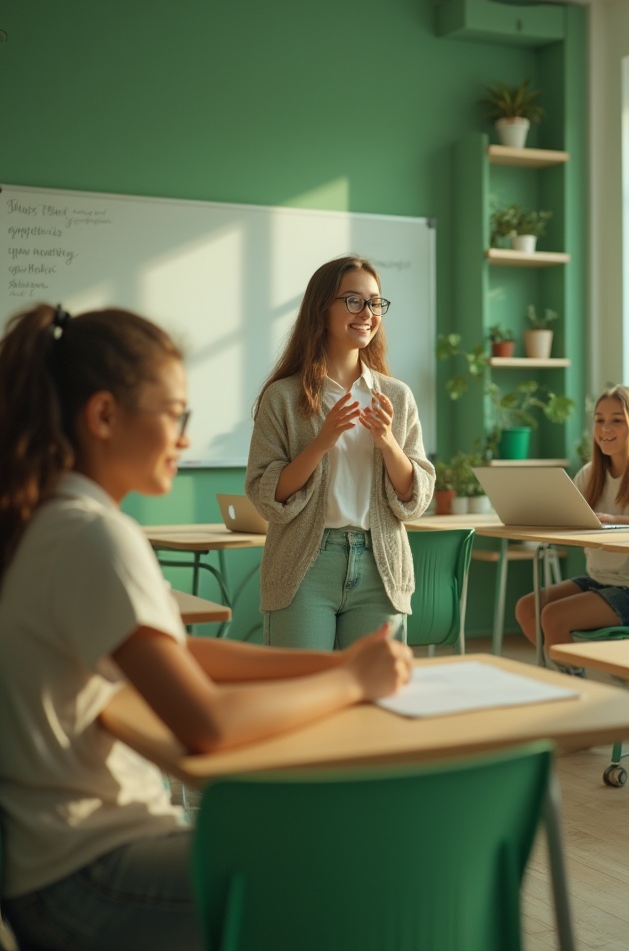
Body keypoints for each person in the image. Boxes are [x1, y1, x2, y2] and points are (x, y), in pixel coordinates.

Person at [0, 303, 413, 951]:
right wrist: (354, 683)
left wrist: (338, 663)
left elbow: (184, 653)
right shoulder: (93, 536)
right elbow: (207, 725)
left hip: (53, 863)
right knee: (344, 875)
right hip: (85, 875)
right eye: (175, 415)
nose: (186, 439)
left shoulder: (54, 519)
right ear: (104, 416)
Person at [246, 255, 434, 651]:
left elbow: (415, 497)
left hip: (380, 567)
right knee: (299, 695)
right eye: (353, 300)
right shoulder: (283, 397)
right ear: (322, 309)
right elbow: (267, 494)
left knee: (373, 699)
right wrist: (321, 442)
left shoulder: (396, 395)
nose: (367, 313)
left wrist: (388, 442)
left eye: (375, 302)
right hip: (305, 566)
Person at [513, 384, 629, 657]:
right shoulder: (590, 474)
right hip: (600, 580)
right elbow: (568, 513)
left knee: (554, 616)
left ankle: (571, 683)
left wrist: (615, 519)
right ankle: (568, 675)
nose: (605, 429)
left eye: (616, 420)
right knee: (527, 608)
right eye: (599, 420)